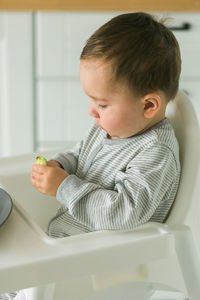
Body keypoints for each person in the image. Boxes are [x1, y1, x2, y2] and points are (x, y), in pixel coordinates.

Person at [0, 11, 181, 300]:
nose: (91, 111)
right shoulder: (111, 127)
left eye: (102, 103)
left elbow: (125, 213)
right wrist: (61, 164)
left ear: (148, 105)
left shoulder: (155, 152)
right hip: (64, 246)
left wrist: (63, 186)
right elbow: (81, 153)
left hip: (97, 265)